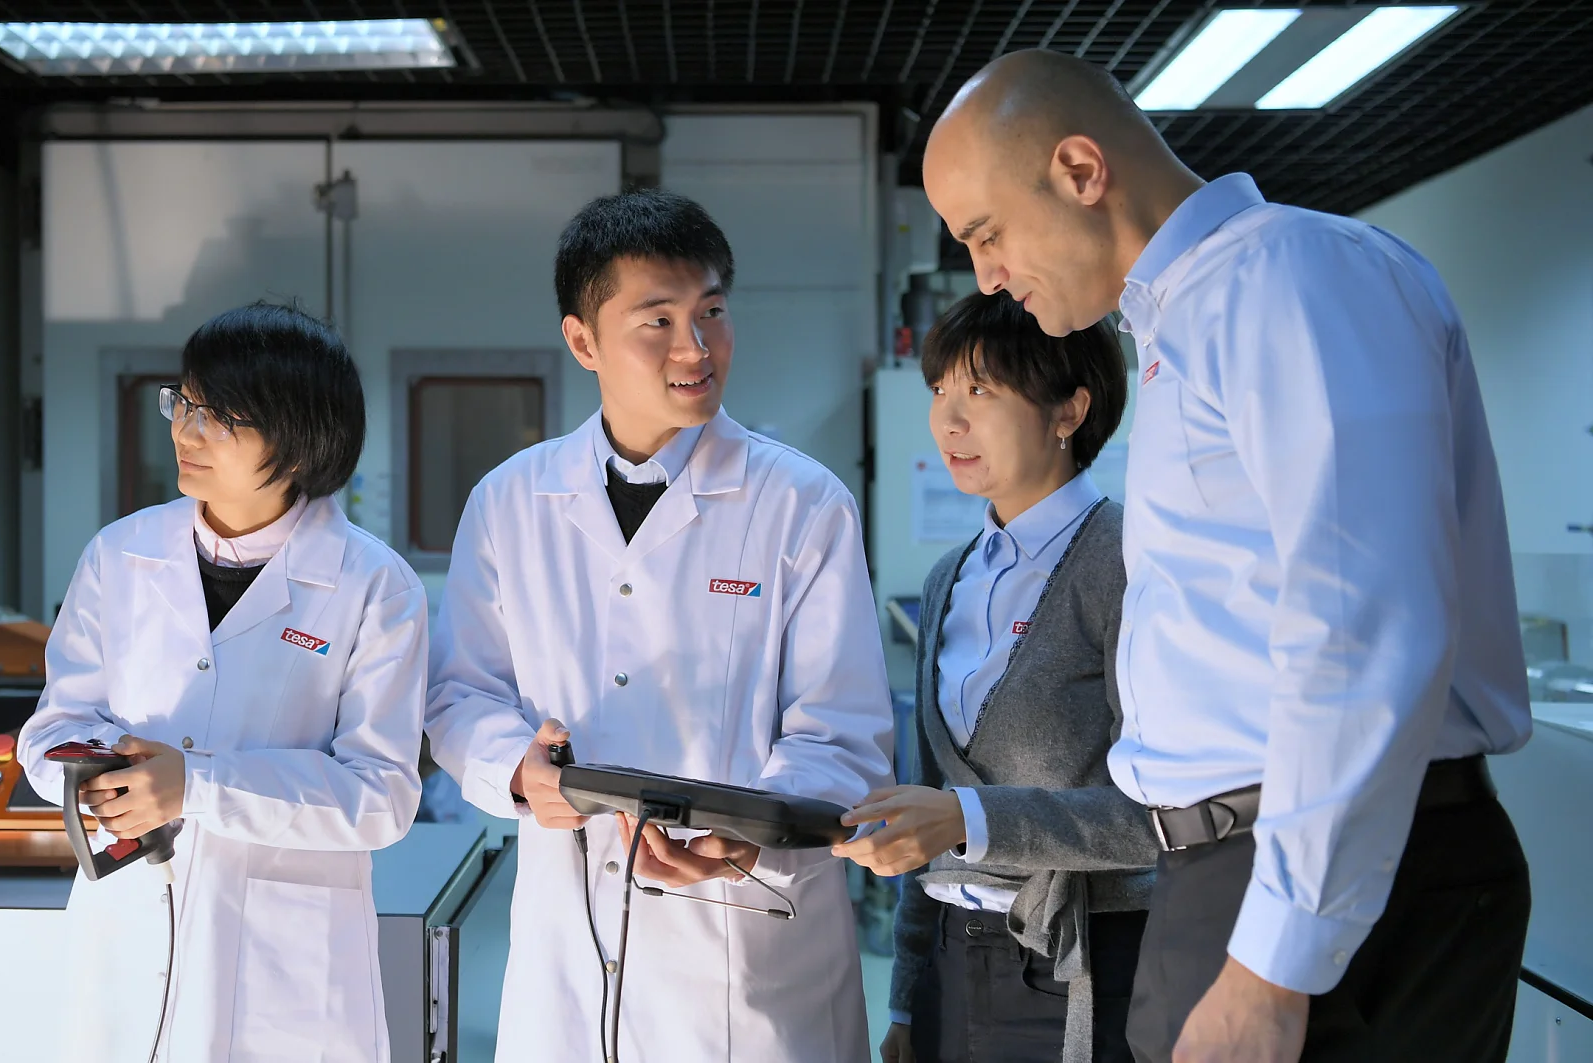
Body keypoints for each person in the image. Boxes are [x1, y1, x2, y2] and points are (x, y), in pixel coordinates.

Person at [919, 49, 1532, 1063]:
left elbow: (1362, 625)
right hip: (1229, 871)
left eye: (987, 233)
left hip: (1321, 880)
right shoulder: (1182, 319)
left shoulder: (1287, 276)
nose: (985, 274)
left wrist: (1272, 966)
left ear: (1080, 170)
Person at [424, 188, 894, 1063]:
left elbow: (843, 733)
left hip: (746, 953)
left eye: (711, 311)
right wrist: (519, 772)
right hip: (569, 955)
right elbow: (460, 695)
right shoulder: (510, 502)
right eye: (659, 320)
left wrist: (748, 830)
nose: (696, 348)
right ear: (583, 341)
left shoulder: (800, 504)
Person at [17, 303, 426, 1063]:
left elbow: (382, 797)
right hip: (128, 926)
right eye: (184, 403)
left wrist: (195, 785)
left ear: (301, 440)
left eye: (220, 417)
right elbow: (53, 728)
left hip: (285, 967)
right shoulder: (120, 555)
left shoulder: (374, 584)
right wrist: (100, 775)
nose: (185, 431)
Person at [836, 290, 1153, 1063]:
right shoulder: (950, 577)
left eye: (980, 389)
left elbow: (1162, 816)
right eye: (939, 388)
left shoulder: (1128, 562)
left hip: (1084, 964)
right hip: (951, 962)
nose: (948, 420)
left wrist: (969, 817)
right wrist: (907, 996)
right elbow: (928, 804)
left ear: (1069, 409)